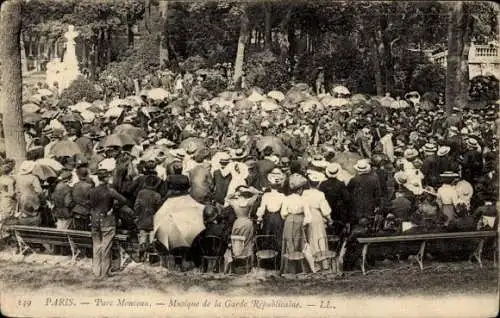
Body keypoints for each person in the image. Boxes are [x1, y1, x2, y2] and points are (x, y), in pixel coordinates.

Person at [89, 168, 130, 277]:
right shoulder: (110, 191)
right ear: (106, 178)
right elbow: (124, 200)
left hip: (94, 220)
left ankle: (96, 271)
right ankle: (104, 273)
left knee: (96, 247)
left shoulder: (92, 190)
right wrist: (113, 206)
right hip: (107, 220)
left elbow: (92, 204)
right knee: (106, 248)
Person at [303, 170, 332, 271]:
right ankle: (323, 262)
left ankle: (313, 263)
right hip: (317, 216)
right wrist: (329, 219)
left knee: (310, 238)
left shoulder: (304, 193)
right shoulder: (320, 194)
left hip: (307, 216)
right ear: (318, 183)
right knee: (320, 238)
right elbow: (325, 209)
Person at [280, 173, 310, 272]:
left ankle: (289, 269)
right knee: (299, 243)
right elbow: (308, 216)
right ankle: (299, 268)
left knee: (289, 242)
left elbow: (283, 213)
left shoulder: (286, 199)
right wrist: (304, 223)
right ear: (300, 189)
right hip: (300, 220)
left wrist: (289, 218)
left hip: (289, 220)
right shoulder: (303, 199)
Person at [134, 175, 163, 262]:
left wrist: (137, 215)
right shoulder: (157, 195)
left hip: (142, 218)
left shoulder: (141, 193)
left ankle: (141, 255)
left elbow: (136, 206)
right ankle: (152, 258)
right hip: (153, 220)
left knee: (142, 236)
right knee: (152, 236)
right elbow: (159, 210)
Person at [256, 168, 286, 251]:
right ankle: (277, 257)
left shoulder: (266, 195)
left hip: (268, 218)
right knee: (278, 238)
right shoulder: (282, 196)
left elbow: (261, 209)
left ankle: (267, 258)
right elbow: (283, 212)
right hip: (278, 218)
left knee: (267, 237)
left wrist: (259, 217)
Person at [319, 163, 351, 233]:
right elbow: (347, 198)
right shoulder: (341, 184)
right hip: (338, 211)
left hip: (326, 210)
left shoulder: (323, 184)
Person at [347, 160, 382, 224]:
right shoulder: (374, 179)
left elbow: (348, 193)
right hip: (370, 206)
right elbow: (378, 194)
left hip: (357, 206)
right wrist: (377, 205)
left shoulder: (354, 180)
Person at [15, 160, 43, 226]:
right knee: (33, 217)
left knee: (23, 216)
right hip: (32, 200)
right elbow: (39, 190)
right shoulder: (33, 178)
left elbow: (17, 190)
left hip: (21, 199)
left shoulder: (18, 177)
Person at [72, 166, 94, 231]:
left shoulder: (75, 185)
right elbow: (92, 199)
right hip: (85, 211)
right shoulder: (89, 186)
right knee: (85, 230)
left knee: (77, 230)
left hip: (76, 210)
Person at [0, 160, 17, 238]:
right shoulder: (10, 181)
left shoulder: (0, 179)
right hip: (8, 201)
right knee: (9, 219)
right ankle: (10, 236)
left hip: (1, 199)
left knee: (3, 218)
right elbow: (11, 193)